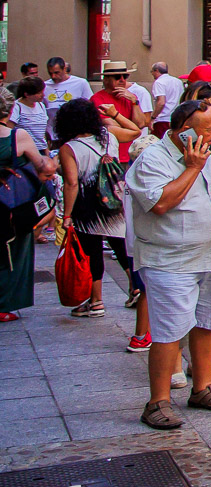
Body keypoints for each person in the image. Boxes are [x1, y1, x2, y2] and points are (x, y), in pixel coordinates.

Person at [128, 100, 211, 429]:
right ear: (185, 131)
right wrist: (192, 168)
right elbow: (160, 203)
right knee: (170, 331)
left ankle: (202, 388)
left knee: (209, 322)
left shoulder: (206, 152)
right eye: (208, 129)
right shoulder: (153, 159)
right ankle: (157, 402)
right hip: (171, 260)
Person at [57, 99, 147, 347]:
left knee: (91, 251)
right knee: (121, 246)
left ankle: (96, 301)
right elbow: (135, 131)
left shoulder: (69, 148)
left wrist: (67, 214)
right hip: (114, 200)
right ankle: (135, 288)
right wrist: (115, 114)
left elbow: (71, 183)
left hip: (87, 205)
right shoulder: (108, 135)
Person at [0, 89, 57, 322]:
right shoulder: (18, 136)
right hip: (12, 204)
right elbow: (41, 165)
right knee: (14, 251)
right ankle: (4, 305)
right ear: (11, 109)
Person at [92, 61, 149, 162]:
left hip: (130, 154)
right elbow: (113, 127)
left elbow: (141, 124)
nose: (122, 80)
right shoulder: (97, 99)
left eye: (125, 76)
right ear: (106, 79)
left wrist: (134, 102)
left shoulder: (129, 98)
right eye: (117, 77)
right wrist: (131, 127)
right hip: (112, 155)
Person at [44, 57, 94, 143]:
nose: (53, 76)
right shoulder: (45, 86)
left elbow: (90, 105)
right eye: (50, 73)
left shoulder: (80, 83)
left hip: (75, 132)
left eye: (56, 73)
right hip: (52, 133)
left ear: (64, 69)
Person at [10, 76, 50, 148]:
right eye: (39, 93)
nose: (43, 95)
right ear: (27, 94)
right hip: (24, 149)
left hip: (41, 148)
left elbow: (42, 133)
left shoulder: (41, 105)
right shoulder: (16, 107)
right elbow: (9, 130)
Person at [151, 63, 186, 137]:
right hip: (176, 118)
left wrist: (153, 117)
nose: (152, 74)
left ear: (156, 71)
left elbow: (161, 102)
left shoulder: (159, 82)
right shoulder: (178, 81)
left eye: (152, 71)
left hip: (163, 119)